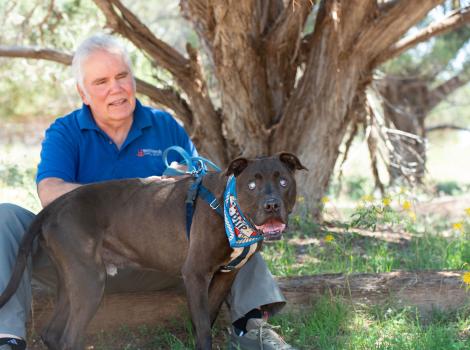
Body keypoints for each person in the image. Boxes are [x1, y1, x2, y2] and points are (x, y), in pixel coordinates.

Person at [0, 34, 296, 350]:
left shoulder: (162, 125)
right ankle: (8, 336)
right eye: (101, 81)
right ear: (82, 93)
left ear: (133, 80)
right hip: (80, 255)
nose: (115, 88)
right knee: (6, 217)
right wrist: (121, 199)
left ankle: (252, 328)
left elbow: (196, 186)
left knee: (235, 224)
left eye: (121, 76)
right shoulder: (67, 131)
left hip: (158, 257)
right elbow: (50, 193)